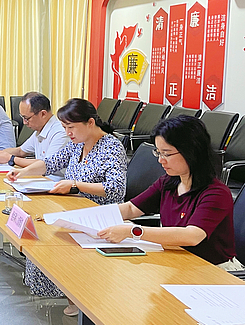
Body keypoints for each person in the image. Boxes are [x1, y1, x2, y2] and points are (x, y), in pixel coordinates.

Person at [6, 98, 127, 316]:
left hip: (96, 215)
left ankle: (79, 295)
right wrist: (23, 172)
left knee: (48, 238)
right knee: (39, 230)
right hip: (72, 208)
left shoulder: (111, 147)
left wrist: (75, 185)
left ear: (90, 123)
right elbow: (51, 163)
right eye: (64, 127)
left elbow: (115, 189)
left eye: (71, 127)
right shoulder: (77, 143)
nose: (67, 133)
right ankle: (69, 292)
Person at [98, 116, 243, 271]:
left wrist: (133, 231)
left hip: (213, 270)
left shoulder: (216, 193)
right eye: (158, 153)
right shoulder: (168, 182)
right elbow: (131, 208)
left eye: (166, 154)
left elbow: (192, 236)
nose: (161, 160)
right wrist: (90, 216)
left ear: (191, 151)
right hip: (176, 259)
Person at [0, 92, 69, 173]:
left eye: (27, 118)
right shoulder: (40, 130)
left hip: (54, 179)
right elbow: (20, 151)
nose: (24, 122)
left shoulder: (60, 133)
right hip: (40, 177)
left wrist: (11, 159)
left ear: (43, 114)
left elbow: (46, 165)